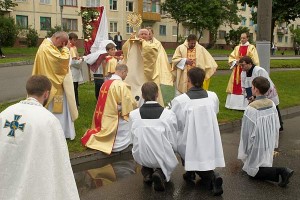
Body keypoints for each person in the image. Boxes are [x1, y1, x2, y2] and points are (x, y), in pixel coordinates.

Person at [0, 75, 79, 200]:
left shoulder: (5, 114)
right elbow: (58, 158)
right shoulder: (48, 120)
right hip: (32, 179)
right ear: (47, 94)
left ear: (28, 91)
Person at [171, 67, 225, 196]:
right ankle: (191, 172)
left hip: (191, 139)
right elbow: (215, 112)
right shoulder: (212, 96)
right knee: (195, 147)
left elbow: (176, 123)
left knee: (178, 140)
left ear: (188, 80)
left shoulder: (181, 100)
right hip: (210, 136)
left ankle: (211, 176)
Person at [238, 76, 294, 187]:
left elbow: (247, 131)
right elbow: (276, 124)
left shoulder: (251, 108)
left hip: (257, 143)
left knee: (253, 172)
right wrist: (273, 141)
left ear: (256, 90)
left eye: (252, 87)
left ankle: (282, 171)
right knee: (259, 165)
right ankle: (278, 172)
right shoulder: (272, 104)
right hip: (268, 140)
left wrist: (245, 149)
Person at [129, 82, 178, 191]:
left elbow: (132, 138)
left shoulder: (133, 115)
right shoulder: (168, 114)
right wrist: (174, 150)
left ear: (142, 95)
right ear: (157, 95)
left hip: (142, 155)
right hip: (161, 155)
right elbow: (173, 139)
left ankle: (147, 172)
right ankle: (160, 173)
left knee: (144, 146)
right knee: (168, 152)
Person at [32, 31, 78, 140]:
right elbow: (62, 62)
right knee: (56, 111)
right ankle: (57, 133)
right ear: (56, 38)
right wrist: (66, 49)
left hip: (52, 83)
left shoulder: (47, 46)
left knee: (59, 110)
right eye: (62, 43)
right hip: (53, 87)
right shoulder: (47, 48)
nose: (61, 45)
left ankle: (61, 132)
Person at [81, 64, 137, 154]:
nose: (126, 76)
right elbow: (129, 103)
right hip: (115, 117)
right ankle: (118, 143)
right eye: (126, 74)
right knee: (131, 118)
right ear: (123, 72)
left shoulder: (105, 83)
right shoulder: (121, 85)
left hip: (103, 116)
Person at [122, 28, 173, 106]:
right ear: (138, 35)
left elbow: (153, 53)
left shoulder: (152, 45)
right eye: (141, 34)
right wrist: (130, 40)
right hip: (135, 72)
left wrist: (143, 44)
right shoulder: (133, 43)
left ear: (149, 36)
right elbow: (125, 50)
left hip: (147, 74)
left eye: (145, 34)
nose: (143, 36)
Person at [239, 56, 284, 131]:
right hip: (254, 92)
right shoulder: (243, 73)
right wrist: (248, 96)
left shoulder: (259, 70)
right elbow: (244, 85)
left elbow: (264, 84)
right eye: (240, 65)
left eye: (243, 65)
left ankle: (279, 125)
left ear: (249, 64)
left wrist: (256, 96)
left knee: (273, 107)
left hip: (267, 92)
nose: (241, 67)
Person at [225, 32, 260, 110]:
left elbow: (254, 60)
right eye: (241, 38)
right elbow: (231, 57)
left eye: (244, 38)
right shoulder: (237, 48)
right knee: (236, 85)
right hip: (237, 70)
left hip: (247, 70)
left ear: (247, 38)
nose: (242, 39)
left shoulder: (251, 47)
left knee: (247, 84)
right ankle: (233, 105)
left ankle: (246, 105)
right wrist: (235, 61)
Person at [69, 32, 84, 108]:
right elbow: (73, 61)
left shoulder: (74, 47)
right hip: (73, 71)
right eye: (74, 40)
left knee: (76, 87)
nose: (76, 42)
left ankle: (76, 102)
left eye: (76, 40)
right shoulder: (70, 48)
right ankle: (74, 103)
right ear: (70, 40)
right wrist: (81, 60)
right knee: (73, 88)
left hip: (76, 71)